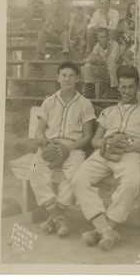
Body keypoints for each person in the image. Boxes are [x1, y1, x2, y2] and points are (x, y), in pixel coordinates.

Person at [72, 65, 140, 251]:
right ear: (118, 87)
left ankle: (103, 229)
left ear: (138, 87)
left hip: (130, 152)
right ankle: (105, 229)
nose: (126, 91)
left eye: (130, 87)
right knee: (79, 178)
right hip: (106, 150)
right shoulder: (108, 111)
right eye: (123, 87)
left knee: (132, 182)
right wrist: (104, 143)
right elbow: (94, 140)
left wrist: (131, 147)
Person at [29, 62, 96, 238]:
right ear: (57, 77)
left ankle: (52, 219)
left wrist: (68, 147)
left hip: (73, 148)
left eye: (71, 75)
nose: (67, 79)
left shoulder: (85, 104)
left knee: (75, 178)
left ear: (77, 78)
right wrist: (43, 141)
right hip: (50, 146)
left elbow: (87, 136)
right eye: (64, 75)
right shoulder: (49, 101)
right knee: (35, 171)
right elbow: (39, 130)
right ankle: (58, 218)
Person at [83, 27, 122, 99]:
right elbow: (90, 59)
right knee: (87, 66)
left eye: (105, 36)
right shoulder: (97, 45)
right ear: (98, 38)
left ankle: (114, 90)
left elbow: (112, 60)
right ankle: (90, 91)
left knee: (111, 65)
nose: (103, 39)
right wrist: (95, 59)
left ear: (108, 37)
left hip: (116, 72)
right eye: (101, 37)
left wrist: (98, 60)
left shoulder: (115, 45)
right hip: (103, 70)